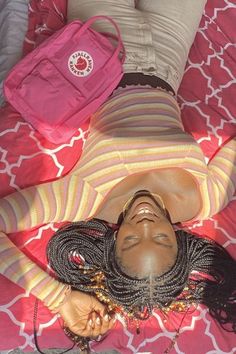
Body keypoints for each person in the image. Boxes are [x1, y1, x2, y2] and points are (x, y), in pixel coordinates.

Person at [0, 0, 236, 351]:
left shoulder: (86, 197)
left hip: (102, 49)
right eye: (161, 239)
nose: (145, 224)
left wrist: (60, 299)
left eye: (130, 241)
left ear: (112, 244)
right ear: (179, 240)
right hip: (170, 54)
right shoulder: (205, 197)